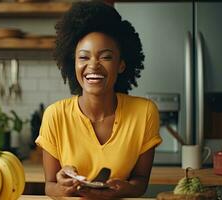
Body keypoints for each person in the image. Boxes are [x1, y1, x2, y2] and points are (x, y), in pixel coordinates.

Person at [35, 0, 162, 199]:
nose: (93, 66)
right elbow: (50, 186)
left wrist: (122, 189)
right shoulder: (55, 115)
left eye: (106, 57)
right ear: (73, 63)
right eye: (84, 57)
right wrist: (63, 187)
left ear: (121, 64)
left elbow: (140, 181)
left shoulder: (144, 112)